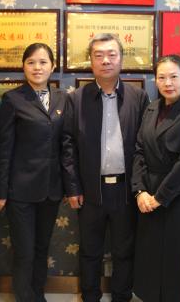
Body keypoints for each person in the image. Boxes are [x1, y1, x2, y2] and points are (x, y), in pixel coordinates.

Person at [62, 33, 149, 302]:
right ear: (91, 61)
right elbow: (68, 146)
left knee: (125, 251)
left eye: (112, 54)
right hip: (90, 190)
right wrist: (73, 187)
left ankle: (122, 296)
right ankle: (90, 296)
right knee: (90, 251)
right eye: (98, 55)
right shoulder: (77, 98)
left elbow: (144, 147)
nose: (106, 61)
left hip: (126, 190)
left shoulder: (138, 97)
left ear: (121, 59)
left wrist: (140, 187)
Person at [0, 43, 69, 302]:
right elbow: (4, 148)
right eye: (31, 62)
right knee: (24, 251)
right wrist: (1, 191)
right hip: (20, 191)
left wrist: (69, 186)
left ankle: (38, 294)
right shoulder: (12, 99)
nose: (37, 67)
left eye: (43, 62)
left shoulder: (62, 98)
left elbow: (66, 145)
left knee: (41, 248)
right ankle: (24, 297)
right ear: (23, 66)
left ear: (53, 67)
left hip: (51, 189)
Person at [131, 55, 180, 302]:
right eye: (162, 77)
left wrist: (160, 197)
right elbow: (139, 151)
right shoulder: (152, 108)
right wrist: (140, 191)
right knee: (151, 257)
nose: (168, 83)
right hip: (148, 194)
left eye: (174, 76)